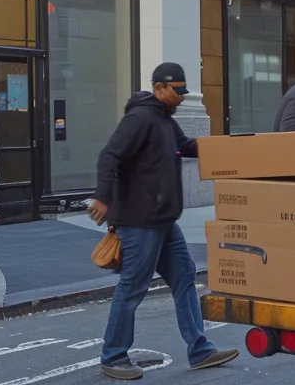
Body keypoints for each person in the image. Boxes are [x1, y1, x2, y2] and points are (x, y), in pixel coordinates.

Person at [89, 62, 237, 380]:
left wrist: (226, 147)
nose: (182, 97)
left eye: (184, 91)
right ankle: (113, 356)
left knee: (184, 279)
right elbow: (109, 156)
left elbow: (186, 147)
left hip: (165, 221)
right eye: (178, 91)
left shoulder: (166, 120)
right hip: (140, 222)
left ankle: (200, 351)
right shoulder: (141, 117)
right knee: (132, 288)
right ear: (160, 88)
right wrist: (103, 198)